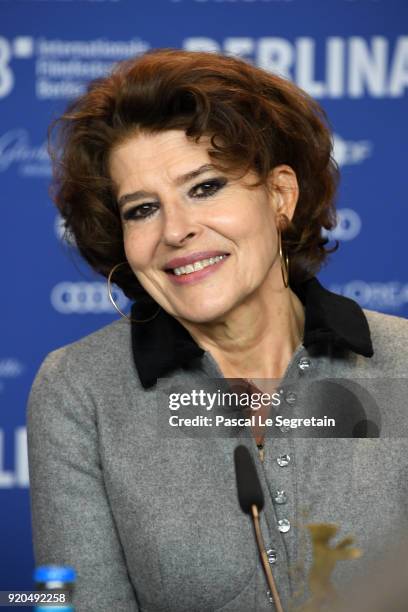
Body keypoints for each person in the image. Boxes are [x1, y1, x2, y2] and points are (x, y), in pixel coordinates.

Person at [27, 49, 408, 612]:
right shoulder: (80, 391)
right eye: (141, 209)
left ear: (280, 196)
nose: (176, 230)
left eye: (204, 187)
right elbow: (76, 602)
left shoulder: (401, 360)